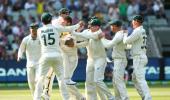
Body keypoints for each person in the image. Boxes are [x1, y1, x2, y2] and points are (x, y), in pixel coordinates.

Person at [34, 12, 83, 100]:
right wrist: (77, 25)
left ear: (42, 21)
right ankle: (66, 98)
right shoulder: (56, 28)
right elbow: (68, 28)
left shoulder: (39, 30)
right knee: (61, 79)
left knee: (40, 78)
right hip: (57, 55)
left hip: (45, 55)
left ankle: (36, 98)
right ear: (50, 20)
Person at [73, 18, 114, 100]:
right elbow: (80, 40)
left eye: (92, 26)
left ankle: (111, 97)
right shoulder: (87, 32)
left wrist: (74, 31)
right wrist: (77, 32)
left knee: (97, 81)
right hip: (90, 59)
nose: (90, 27)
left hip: (100, 59)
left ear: (97, 27)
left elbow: (90, 36)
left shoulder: (99, 33)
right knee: (89, 82)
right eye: (90, 25)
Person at [42, 8, 72, 99]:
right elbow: (57, 39)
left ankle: (71, 96)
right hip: (54, 51)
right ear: (62, 14)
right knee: (50, 75)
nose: (68, 15)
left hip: (63, 52)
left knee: (64, 77)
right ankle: (46, 93)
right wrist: (65, 41)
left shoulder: (66, 24)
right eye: (67, 13)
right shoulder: (55, 23)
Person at [123, 15, 152, 100]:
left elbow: (126, 41)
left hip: (138, 57)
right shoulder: (142, 30)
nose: (132, 22)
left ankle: (148, 97)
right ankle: (144, 96)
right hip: (140, 56)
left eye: (133, 21)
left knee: (140, 79)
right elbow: (133, 44)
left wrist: (125, 34)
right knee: (135, 78)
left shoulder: (137, 31)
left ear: (136, 21)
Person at [101, 20, 129, 100]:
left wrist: (102, 39)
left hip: (120, 60)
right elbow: (111, 42)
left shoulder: (119, 34)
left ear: (116, 26)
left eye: (112, 25)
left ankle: (125, 98)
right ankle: (118, 98)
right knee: (115, 81)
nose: (110, 27)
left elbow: (109, 45)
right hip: (118, 60)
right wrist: (104, 39)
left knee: (118, 80)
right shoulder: (119, 34)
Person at [60, 16, 86, 100]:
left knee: (65, 81)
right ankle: (79, 97)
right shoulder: (61, 31)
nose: (61, 22)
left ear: (68, 23)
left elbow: (70, 42)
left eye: (63, 21)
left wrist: (61, 41)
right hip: (64, 57)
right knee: (65, 81)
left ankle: (80, 97)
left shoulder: (72, 31)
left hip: (72, 59)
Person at [17, 23, 40, 99]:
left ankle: (38, 97)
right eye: (32, 28)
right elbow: (21, 49)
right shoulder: (26, 39)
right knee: (31, 83)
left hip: (40, 63)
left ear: (37, 29)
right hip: (30, 64)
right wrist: (19, 56)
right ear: (30, 30)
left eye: (35, 28)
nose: (33, 30)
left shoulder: (42, 38)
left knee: (38, 81)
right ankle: (35, 97)